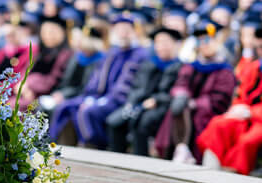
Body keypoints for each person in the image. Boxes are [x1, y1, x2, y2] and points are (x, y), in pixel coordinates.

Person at [49, 13, 148, 148]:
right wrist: (90, 97)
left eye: (126, 30)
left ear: (133, 31)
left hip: (118, 100)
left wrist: (102, 101)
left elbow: (125, 86)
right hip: (98, 96)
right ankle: (60, 148)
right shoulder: (112, 52)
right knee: (65, 107)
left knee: (88, 111)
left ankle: (94, 148)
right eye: (119, 30)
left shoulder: (140, 55)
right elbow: (96, 79)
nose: (123, 34)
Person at [155, 22, 235, 164]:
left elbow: (219, 100)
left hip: (207, 111)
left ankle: (188, 153)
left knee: (193, 114)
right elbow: (181, 84)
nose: (204, 44)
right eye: (200, 41)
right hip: (186, 106)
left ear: (217, 41)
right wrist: (182, 96)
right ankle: (176, 151)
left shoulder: (225, 70)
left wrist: (195, 103)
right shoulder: (192, 65)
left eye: (208, 40)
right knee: (177, 107)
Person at [106, 27, 183, 155]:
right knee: (114, 122)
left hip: (162, 106)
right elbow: (136, 86)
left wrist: (156, 100)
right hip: (140, 104)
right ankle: (117, 157)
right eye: (158, 43)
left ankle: (140, 159)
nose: (160, 46)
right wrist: (131, 102)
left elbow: (175, 91)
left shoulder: (180, 67)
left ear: (175, 44)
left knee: (142, 122)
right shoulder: (148, 64)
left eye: (165, 42)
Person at [197, 27, 262, 175]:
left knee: (248, 141)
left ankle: (233, 176)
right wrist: (237, 109)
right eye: (258, 47)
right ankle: (210, 173)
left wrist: (250, 112)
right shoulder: (255, 67)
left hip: (258, 117)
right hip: (248, 114)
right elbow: (241, 93)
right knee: (219, 124)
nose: (259, 51)